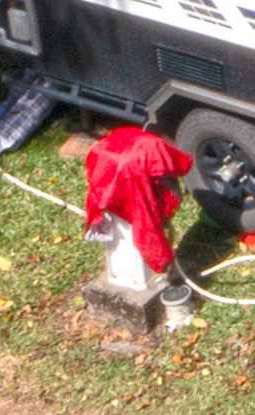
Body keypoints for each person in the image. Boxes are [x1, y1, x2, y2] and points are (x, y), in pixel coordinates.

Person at [79, 124, 199, 329]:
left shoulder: (115, 149)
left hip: (109, 169)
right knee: (139, 231)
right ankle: (155, 274)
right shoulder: (148, 162)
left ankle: (155, 270)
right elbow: (147, 228)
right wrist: (162, 263)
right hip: (127, 174)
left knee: (129, 231)